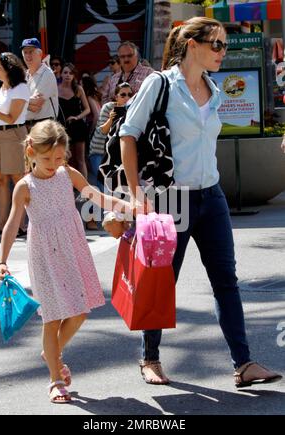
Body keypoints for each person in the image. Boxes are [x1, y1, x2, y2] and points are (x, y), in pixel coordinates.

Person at [119, 17, 283, 387]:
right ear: (192, 44)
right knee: (162, 281)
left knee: (226, 280)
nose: (222, 52)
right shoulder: (159, 84)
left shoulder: (215, 89)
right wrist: (136, 192)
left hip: (213, 196)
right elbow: (128, 135)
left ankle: (243, 363)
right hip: (171, 199)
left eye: (224, 45)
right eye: (217, 45)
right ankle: (150, 357)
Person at [0, 119, 131, 403]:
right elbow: (11, 223)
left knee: (80, 311)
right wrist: (3, 259)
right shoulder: (24, 186)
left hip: (73, 251)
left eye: (59, 157)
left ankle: (52, 352)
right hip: (44, 256)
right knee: (53, 318)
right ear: (31, 151)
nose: (53, 163)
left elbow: (96, 196)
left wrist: (126, 206)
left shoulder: (67, 174)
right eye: (47, 158)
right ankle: (55, 380)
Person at [0, 52, 29, 236]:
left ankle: (21, 224)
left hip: (13, 134)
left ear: (8, 69)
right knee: (1, 179)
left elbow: (12, 118)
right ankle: (2, 223)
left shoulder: (20, 88)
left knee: (17, 180)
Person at [86, 82, 133, 230]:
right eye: (123, 95)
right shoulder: (108, 107)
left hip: (116, 154)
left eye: (129, 95)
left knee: (114, 185)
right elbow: (102, 130)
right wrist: (111, 119)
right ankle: (94, 219)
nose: (126, 98)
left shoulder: (134, 108)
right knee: (102, 185)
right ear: (116, 96)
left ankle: (114, 217)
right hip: (99, 150)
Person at [58, 62, 91, 178]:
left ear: (74, 75)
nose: (68, 75)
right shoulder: (56, 90)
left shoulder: (78, 89)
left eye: (71, 73)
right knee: (64, 159)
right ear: (61, 74)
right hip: (62, 128)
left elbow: (87, 109)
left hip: (78, 127)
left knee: (80, 159)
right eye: (65, 72)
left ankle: (85, 191)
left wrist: (77, 117)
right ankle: (67, 187)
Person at [21, 38, 58, 128]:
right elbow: (31, 104)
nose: (28, 55)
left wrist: (16, 102)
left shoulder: (47, 74)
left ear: (40, 54)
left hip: (44, 125)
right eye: (25, 52)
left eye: (31, 52)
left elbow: (36, 105)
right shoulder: (25, 75)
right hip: (27, 126)